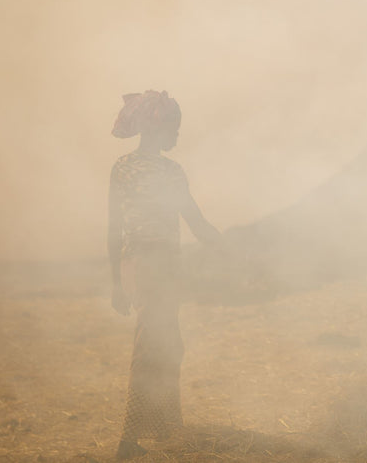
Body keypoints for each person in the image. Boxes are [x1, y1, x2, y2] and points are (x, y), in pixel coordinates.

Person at [108, 90, 220, 460]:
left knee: (168, 344)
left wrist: (117, 282)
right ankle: (129, 439)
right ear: (158, 129)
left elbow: (114, 231)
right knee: (151, 347)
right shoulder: (168, 172)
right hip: (152, 266)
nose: (176, 134)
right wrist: (230, 248)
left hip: (150, 266)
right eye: (174, 127)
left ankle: (166, 429)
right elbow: (197, 223)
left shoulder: (123, 167)